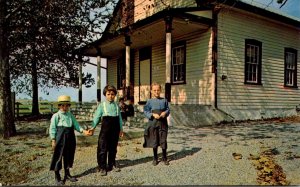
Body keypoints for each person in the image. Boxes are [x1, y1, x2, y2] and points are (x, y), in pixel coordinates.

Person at [49, 95, 90, 185]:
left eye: (67, 105)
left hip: (70, 138)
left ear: (69, 106)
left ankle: (67, 174)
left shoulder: (70, 115)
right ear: (59, 106)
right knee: (58, 157)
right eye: (62, 105)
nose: (64, 107)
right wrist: (53, 140)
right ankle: (57, 176)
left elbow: (76, 125)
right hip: (60, 139)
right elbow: (52, 128)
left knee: (68, 156)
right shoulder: (56, 116)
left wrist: (84, 131)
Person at [89, 85, 124, 176]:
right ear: (105, 95)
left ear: (115, 95)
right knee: (102, 148)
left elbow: (119, 118)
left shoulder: (116, 106)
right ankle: (102, 166)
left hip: (115, 130)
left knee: (113, 147)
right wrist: (92, 127)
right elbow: (96, 117)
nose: (110, 96)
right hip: (105, 130)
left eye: (112, 94)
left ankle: (111, 164)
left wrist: (121, 129)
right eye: (108, 94)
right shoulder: (102, 105)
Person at [143, 82, 170, 166]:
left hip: (163, 123)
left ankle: (164, 157)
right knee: (154, 139)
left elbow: (168, 109)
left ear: (160, 90)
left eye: (158, 90)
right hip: (153, 123)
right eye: (154, 90)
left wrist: (165, 113)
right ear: (151, 91)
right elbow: (145, 111)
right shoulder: (149, 101)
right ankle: (155, 158)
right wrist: (152, 114)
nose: (156, 92)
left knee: (163, 139)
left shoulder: (164, 100)